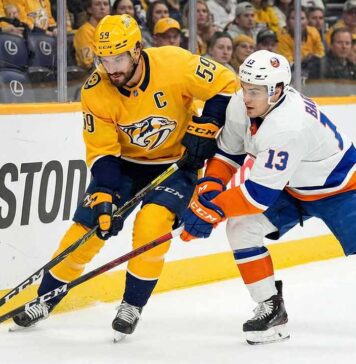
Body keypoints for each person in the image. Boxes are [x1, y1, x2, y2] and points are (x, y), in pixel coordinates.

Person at [12, 14, 237, 341]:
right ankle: (45, 298)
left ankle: (132, 305)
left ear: (136, 50)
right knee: (86, 230)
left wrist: (209, 124)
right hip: (126, 166)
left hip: (176, 164)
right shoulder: (96, 89)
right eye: (104, 59)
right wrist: (103, 194)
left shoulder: (173, 62)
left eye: (118, 57)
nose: (111, 67)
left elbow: (226, 81)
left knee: (151, 224)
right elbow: (103, 151)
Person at [181, 49, 356, 345]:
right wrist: (210, 187)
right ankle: (271, 309)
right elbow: (228, 152)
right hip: (290, 185)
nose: (246, 97)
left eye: (255, 91)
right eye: (244, 87)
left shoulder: (288, 126)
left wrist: (210, 210)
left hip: (342, 189)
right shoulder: (242, 103)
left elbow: (256, 196)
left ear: (276, 91)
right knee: (242, 228)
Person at [73, 0, 111, 70]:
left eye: (105, 4)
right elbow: (88, 63)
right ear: (89, 9)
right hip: (90, 76)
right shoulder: (84, 31)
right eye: (97, 4)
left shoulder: (112, 31)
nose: (102, 7)